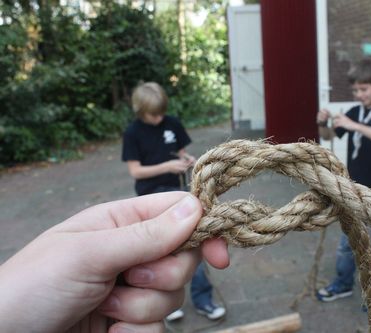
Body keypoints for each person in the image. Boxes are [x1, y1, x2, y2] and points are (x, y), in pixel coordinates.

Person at [0, 192, 229, 333]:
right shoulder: (134, 133)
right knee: (175, 260)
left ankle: (203, 300)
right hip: (163, 204)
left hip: (177, 208)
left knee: (183, 262)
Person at [121, 82, 226, 321]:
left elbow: (180, 153)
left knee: (193, 243)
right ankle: (166, 305)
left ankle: (204, 300)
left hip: (178, 192)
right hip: (150, 197)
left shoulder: (172, 124)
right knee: (161, 251)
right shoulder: (132, 133)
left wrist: (187, 160)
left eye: (161, 113)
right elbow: (136, 171)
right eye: (152, 114)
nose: (158, 119)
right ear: (140, 110)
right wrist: (166, 166)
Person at [315, 59, 371, 306]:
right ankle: (342, 285)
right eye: (355, 90)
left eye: (364, 89)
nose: (359, 95)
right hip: (354, 190)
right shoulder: (355, 111)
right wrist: (323, 122)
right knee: (346, 245)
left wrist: (355, 126)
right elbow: (328, 135)